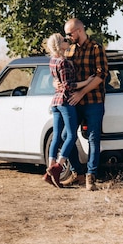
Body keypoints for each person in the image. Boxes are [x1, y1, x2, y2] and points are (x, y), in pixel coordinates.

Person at [62, 18, 109, 191]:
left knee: (93, 139)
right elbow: (62, 72)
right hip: (74, 103)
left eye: (69, 33)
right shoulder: (70, 50)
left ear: (79, 31)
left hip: (94, 100)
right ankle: (77, 173)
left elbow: (101, 75)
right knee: (66, 135)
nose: (68, 37)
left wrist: (81, 92)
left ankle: (91, 176)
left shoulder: (96, 48)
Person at [43, 33, 93, 188]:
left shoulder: (53, 61)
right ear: (60, 44)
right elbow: (68, 86)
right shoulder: (64, 62)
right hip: (66, 101)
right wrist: (87, 82)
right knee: (71, 135)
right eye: (64, 40)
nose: (67, 41)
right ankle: (58, 167)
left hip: (56, 101)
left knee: (57, 135)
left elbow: (57, 82)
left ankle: (49, 170)